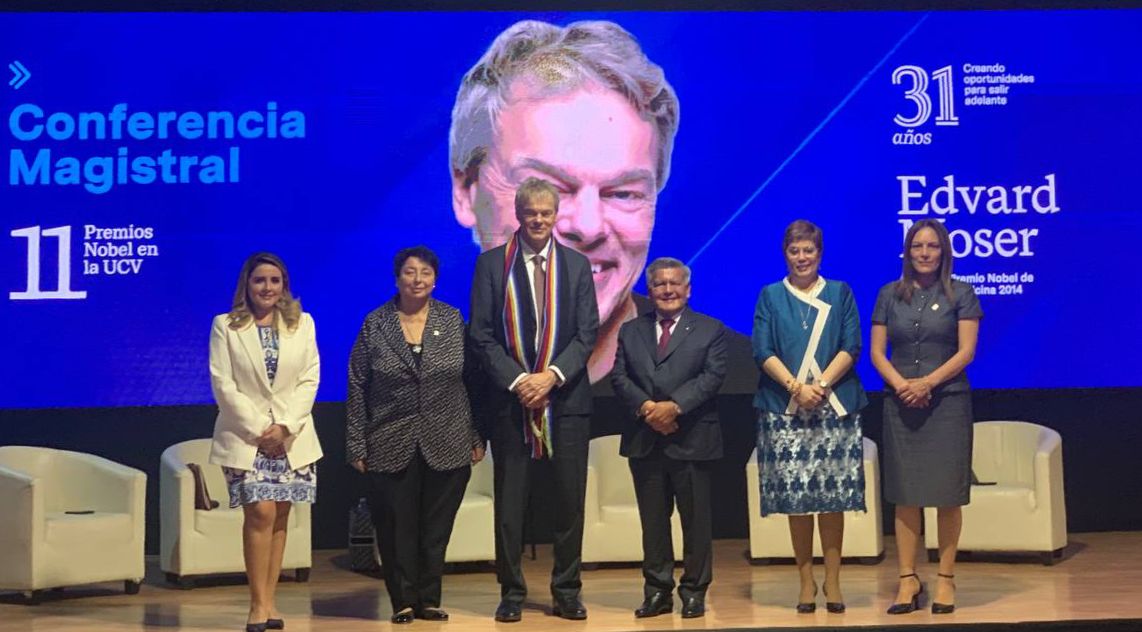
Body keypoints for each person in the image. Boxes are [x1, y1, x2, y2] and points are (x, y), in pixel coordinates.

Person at [450, 19, 678, 385]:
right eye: (547, 187)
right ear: (466, 191)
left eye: (623, 193)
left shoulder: (732, 371)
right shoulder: (438, 372)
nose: (588, 227)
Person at [468, 177, 599, 622]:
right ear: (518, 215)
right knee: (511, 505)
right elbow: (481, 335)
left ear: (555, 215)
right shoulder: (491, 266)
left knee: (569, 502)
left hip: (566, 403)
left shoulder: (577, 266)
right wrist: (520, 380)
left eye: (546, 212)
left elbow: (587, 333)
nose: (539, 220)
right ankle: (512, 592)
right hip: (511, 402)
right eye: (531, 213)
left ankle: (567, 590)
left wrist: (552, 377)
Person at [346, 246, 485, 624]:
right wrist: (357, 442)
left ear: (435, 279)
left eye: (425, 272)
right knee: (395, 529)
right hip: (390, 439)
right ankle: (402, 601)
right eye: (409, 272)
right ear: (397, 278)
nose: (417, 279)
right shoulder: (376, 323)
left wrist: (476, 434)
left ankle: (430, 598)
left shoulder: (453, 320)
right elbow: (358, 384)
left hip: (449, 438)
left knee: (435, 528)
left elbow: (471, 381)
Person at [750, 220, 866, 615]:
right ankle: (805, 580)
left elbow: (852, 344)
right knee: (798, 501)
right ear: (785, 254)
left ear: (820, 253)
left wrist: (820, 385)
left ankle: (833, 580)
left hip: (833, 406)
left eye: (808, 251)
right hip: (785, 408)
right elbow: (762, 349)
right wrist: (796, 388)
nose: (802, 258)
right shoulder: (769, 296)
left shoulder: (840, 292)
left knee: (832, 499)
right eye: (795, 251)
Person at [870, 218, 982, 616]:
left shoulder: (962, 294)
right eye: (917, 246)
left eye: (932, 246)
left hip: (947, 403)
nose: (924, 253)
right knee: (905, 496)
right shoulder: (888, 294)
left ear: (944, 252)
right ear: (907, 251)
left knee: (947, 496)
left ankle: (946, 580)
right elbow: (877, 353)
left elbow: (966, 352)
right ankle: (907, 580)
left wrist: (927, 384)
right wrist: (904, 385)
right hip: (900, 404)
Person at [208, 252, 322, 632]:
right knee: (260, 513)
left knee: (280, 516)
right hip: (246, 437)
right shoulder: (225, 326)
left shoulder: (302, 324)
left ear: (284, 286)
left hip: (292, 438)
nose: (267, 287)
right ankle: (257, 605)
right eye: (260, 280)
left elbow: (310, 378)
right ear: (247, 285)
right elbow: (223, 384)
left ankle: (271, 602)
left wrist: (286, 426)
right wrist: (262, 429)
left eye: (274, 280)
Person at [611, 257, 727, 619]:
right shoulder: (630, 331)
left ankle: (694, 591)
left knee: (696, 523)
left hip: (691, 437)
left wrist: (673, 408)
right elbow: (619, 377)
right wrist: (649, 409)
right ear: (650, 290)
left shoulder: (711, 330)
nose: (668, 290)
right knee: (653, 524)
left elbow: (712, 377)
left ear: (688, 289)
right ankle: (657, 592)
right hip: (645, 439)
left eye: (675, 283)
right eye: (660, 284)